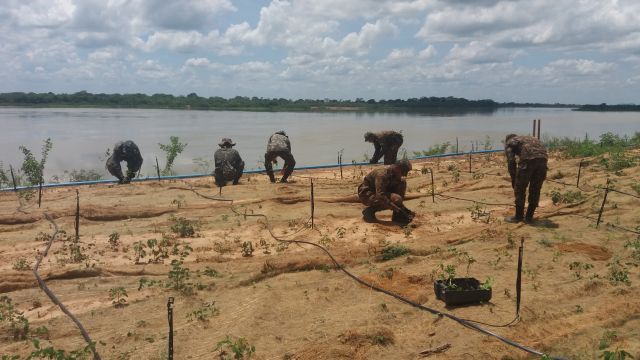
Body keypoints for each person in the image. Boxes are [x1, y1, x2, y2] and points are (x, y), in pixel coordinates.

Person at [504, 134, 548, 223]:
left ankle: (518, 216)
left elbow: (511, 161)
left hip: (528, 160)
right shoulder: (528, 138)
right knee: (535, 189)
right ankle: (529, 216)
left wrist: (514, 179)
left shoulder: (510, 143)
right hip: (543, 160)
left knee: (520, 188)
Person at [358, 159, 415, 224]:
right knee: (396, 199)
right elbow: (380, 196)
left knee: (402, 183)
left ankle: (397, 216)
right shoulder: (382, 175)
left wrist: (402, 208)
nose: (405, 174)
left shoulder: (394, 173)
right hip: (367, 195)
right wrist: (396, 208)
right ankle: (369, 211)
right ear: (397, 168)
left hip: (379, 192)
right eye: (404, 172)